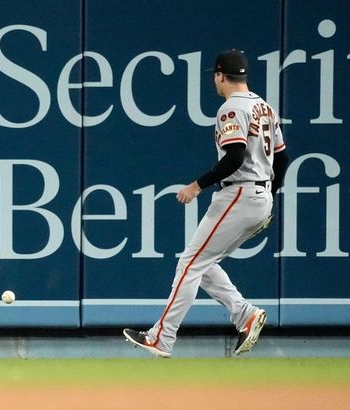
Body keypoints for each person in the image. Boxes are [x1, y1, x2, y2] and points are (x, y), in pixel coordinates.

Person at [123, 49, 289, 358]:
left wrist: (197, 186)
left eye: (215, 76)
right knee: (202, 262)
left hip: (239, 192)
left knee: (189, 264)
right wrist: (270, 197)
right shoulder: (265, 107)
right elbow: (282, 158)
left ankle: (161, 337)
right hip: (258, 195)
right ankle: (245, 314)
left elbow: (236, 156)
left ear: (220, 75)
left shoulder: (231, 108)